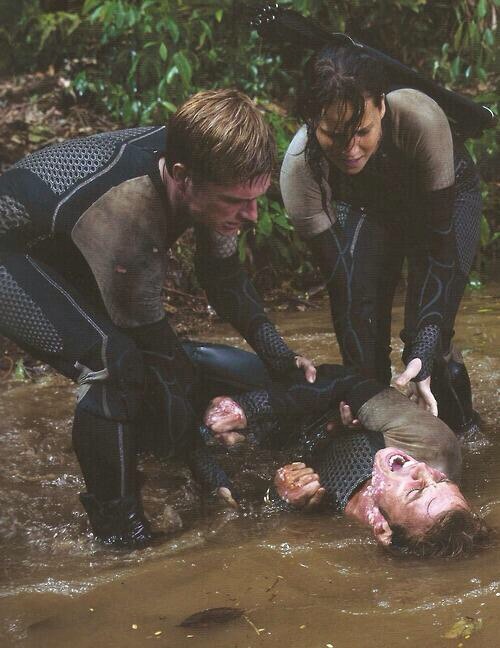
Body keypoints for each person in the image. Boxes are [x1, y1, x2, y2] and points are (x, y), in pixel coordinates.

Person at [0, 89, 315, 548]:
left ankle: (143, 449)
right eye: (236, 201)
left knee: (148, 369)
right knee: (113, 364)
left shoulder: (209, 169)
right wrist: (206, 467)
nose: (251, 215)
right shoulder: (131, 210)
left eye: (256, 199)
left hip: (66, 245)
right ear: (183, 178)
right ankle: (121, 537)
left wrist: (282, 358)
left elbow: (223, 277)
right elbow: (152, 351)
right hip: (14, 253)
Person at [279, 46, 483, 436]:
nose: (350, 150)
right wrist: (360, 390)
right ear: (312, 121)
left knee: (430, 342)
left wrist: (424, 346)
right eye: (334, 135)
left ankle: (467, 434)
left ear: (382, 109)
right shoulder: (300, 170)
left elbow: (438, 251)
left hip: (444, 200)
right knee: (364, 339)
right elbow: (344, 290)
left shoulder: (419, 118)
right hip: (371, 209)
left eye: (362, 131)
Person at [201, 351, 487, 558]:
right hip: (288, 396)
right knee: (196, 359)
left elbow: (244, 525)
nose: (423, 470)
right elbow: (341, 379)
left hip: (257, 443)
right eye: (442, 480)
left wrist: (278, 498)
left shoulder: (333, 535)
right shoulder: (429, 442)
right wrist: (250, 407)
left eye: (416, 490)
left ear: (382, 530)